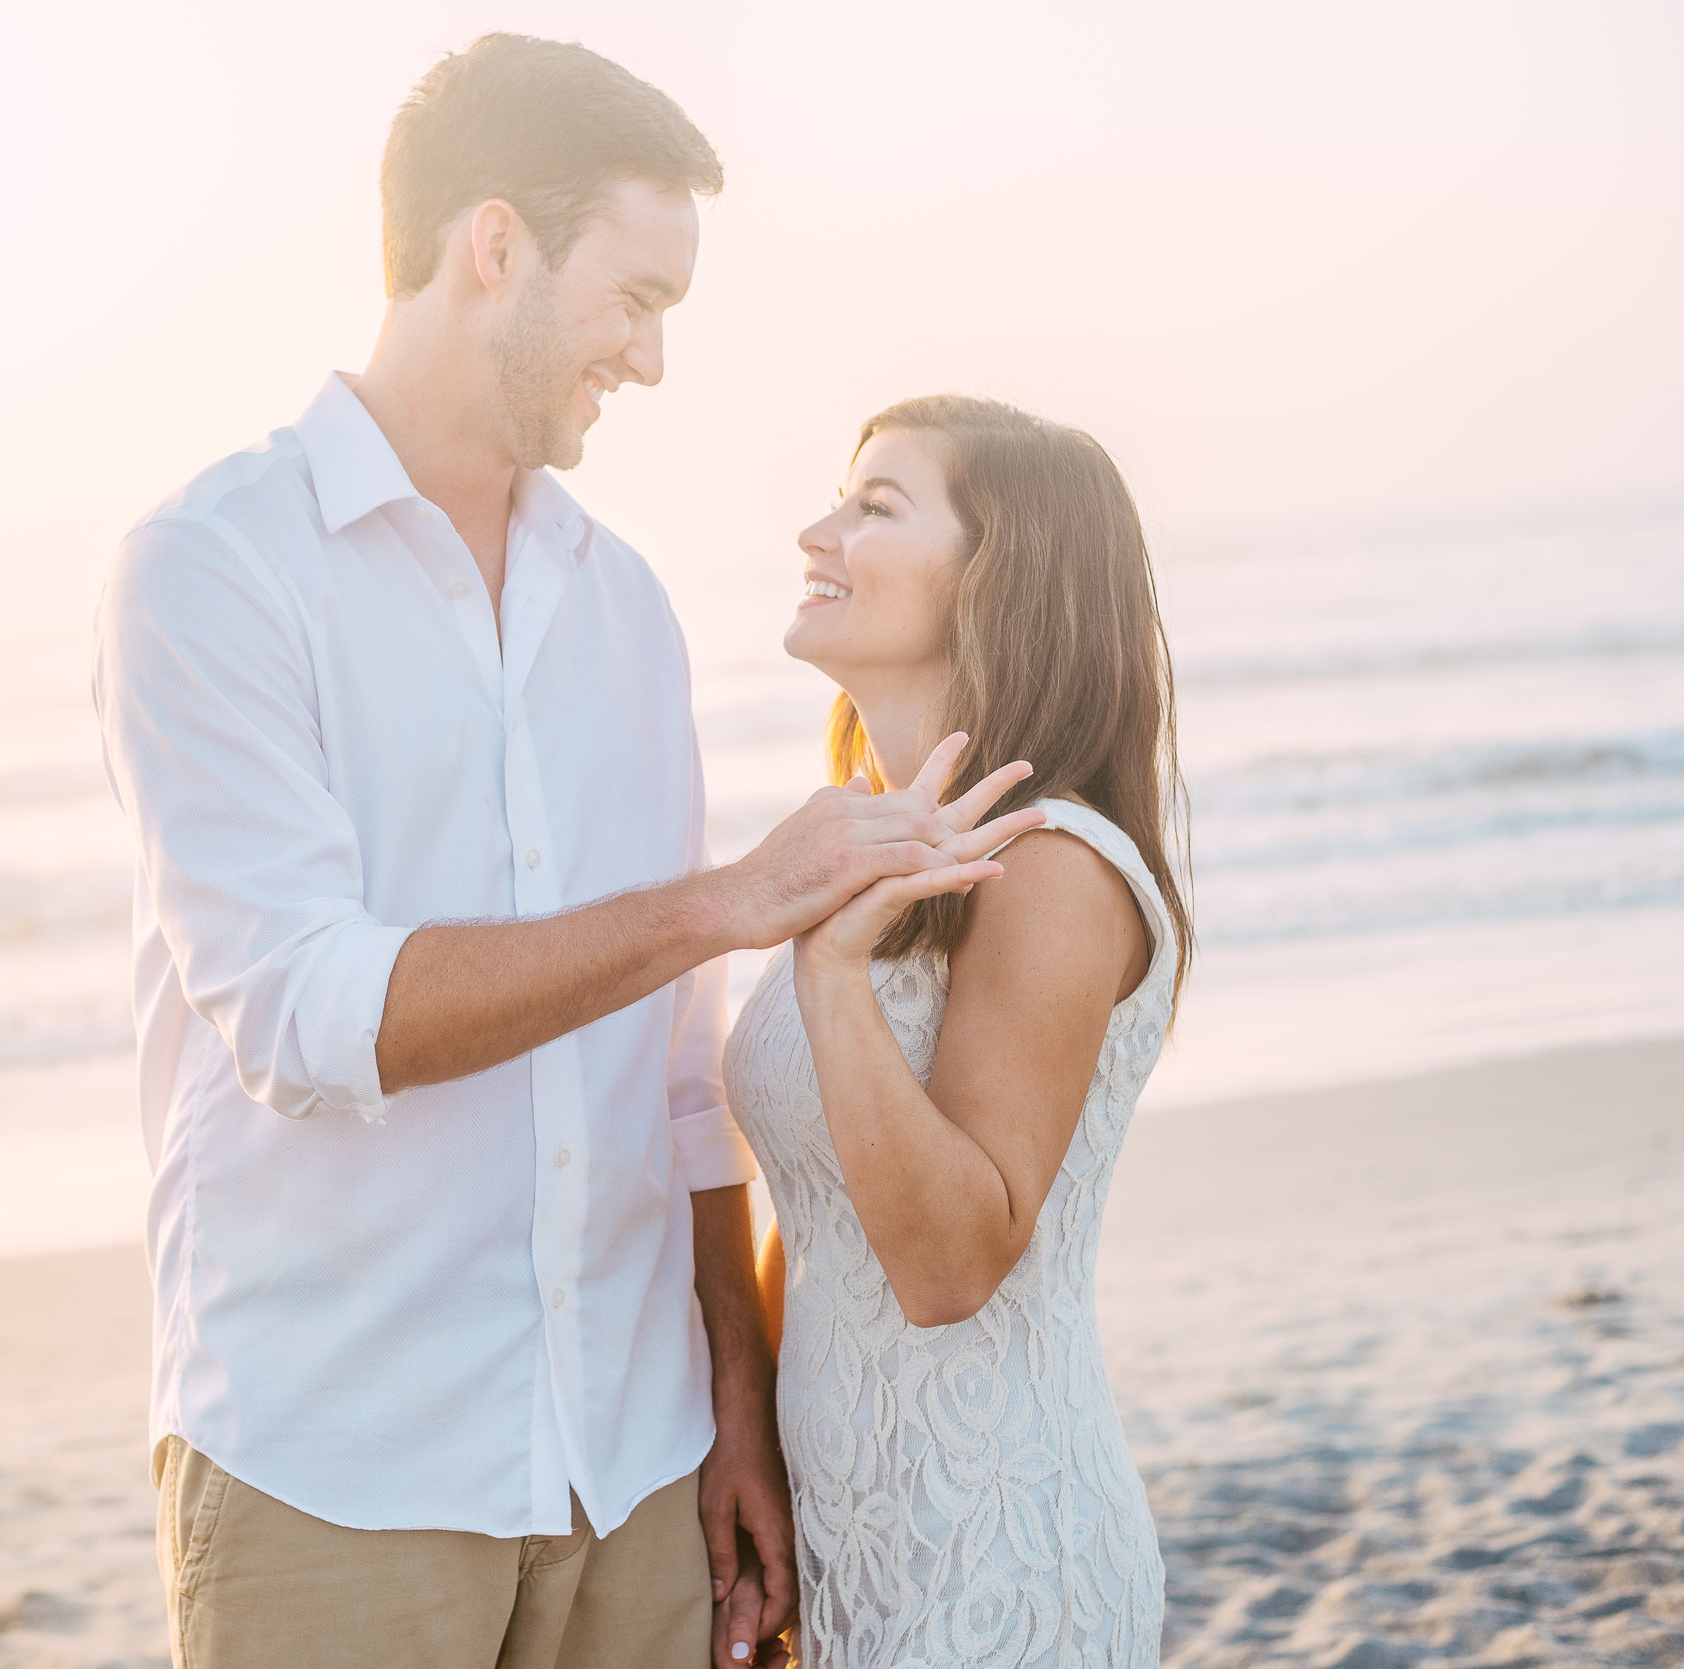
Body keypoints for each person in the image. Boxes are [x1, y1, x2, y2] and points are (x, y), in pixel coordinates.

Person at [92, 36, 1037, 1669]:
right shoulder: (213, 569)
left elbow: (672, 1078)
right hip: (337, 1474)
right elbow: (308, 1020)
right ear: (494, 248)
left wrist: (733, 1394)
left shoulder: (624, 608)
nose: (654, 357)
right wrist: (724, 902)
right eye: (636, 295)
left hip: (635, 1462)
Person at [728, 397, 1193, 1667]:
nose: (817, 531)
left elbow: (949, 1267)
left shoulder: (1050, 868)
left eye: (874, 505)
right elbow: (816, 1203)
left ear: (999, 578)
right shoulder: (865, 843)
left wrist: (828, 972)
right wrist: (754, 1466)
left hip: (993, 1564)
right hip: (848, 1550)